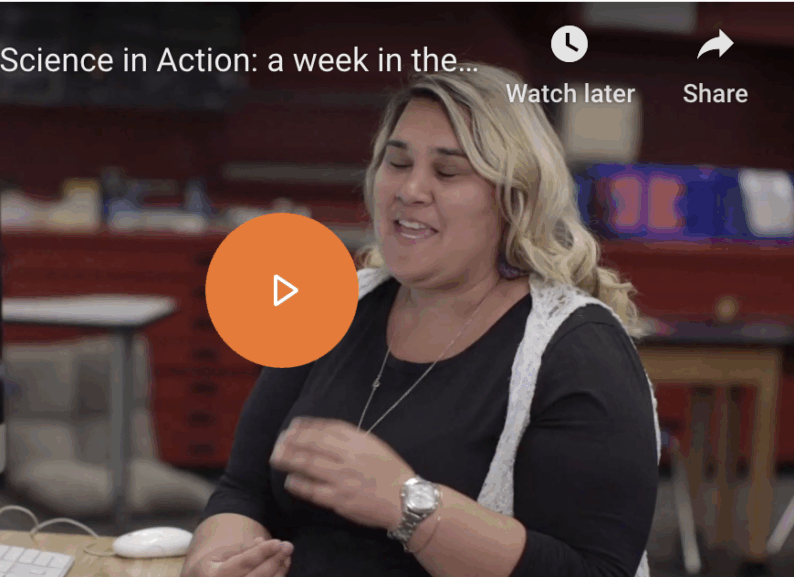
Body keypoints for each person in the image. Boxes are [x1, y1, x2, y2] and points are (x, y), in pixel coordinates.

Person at [182, 63, 661, 577]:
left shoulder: (577, 350)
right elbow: (243, 491)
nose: (410, 189)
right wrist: (216, 562)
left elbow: (596, 570)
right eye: (396, 162)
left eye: (448, 171)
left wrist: (409, 506)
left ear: (514, 198)